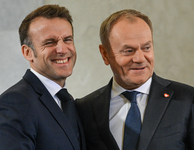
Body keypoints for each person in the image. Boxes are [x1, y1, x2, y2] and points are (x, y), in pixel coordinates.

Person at [75, 9, 194, 150]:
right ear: (105, 54)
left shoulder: (187, 99)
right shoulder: (84, 109)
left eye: (146, 48)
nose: (140, 59)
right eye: (128, 51)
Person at [0, 5, 86, 150]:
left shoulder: (67, 101)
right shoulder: (15, 102)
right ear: (27, 52)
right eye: (50, 42)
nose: (62, 49)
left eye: (67, 39)